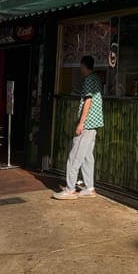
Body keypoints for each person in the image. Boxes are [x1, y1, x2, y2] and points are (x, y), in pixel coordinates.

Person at [53, 55, 103, 200]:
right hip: (94, 124)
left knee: (74, 157)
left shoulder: (88, 80)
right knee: (87, 157)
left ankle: (70, 189)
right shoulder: (96, 79)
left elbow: (88, 101)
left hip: (87, 124)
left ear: (83, 65)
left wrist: (81, 123)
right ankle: (89, 187)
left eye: (80, 66)